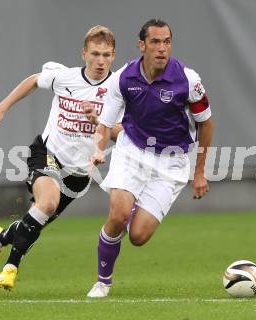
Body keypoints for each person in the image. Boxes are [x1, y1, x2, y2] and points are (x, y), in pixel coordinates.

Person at [0, 25, 121, 290]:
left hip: (79, 173)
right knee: (49, 203)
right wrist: (1, 108)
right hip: (48, 153)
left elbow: (121, 132)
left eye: (106, 55)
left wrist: (98, 120)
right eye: (95, 54)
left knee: (37, 218)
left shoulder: (117, 89)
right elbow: (33, 80)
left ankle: (0, 239)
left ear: (114, 56)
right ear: (84, 53)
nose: (100, 61)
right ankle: (11, 267)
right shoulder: (64, 77)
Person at [87, 19, 214, 298]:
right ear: (142, 45)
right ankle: (102, 282)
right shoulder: (123, 78)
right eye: (155, 42)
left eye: (167, 42)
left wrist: (200, 172)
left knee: (138, 237)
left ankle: (133, 208)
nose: (162, 48)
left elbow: (206, 123)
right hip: (132, 151)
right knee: (117, 216)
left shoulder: (188, 80)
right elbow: (106, 123)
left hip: (172, 161)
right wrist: (98, 150)